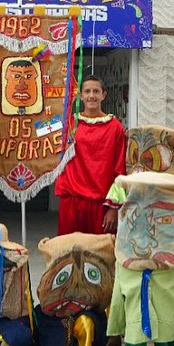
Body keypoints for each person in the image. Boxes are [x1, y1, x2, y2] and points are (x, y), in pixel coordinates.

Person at [104, 172, 174, 346]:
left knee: (165, 331)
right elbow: (117, 297)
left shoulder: (173, 264)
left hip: (164, 292)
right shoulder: (125, 261)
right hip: (136, 290)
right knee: (135, 334)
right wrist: (114, 331)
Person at [55, 76, 126, 236]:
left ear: (103, 95)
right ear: (81, 96)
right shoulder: (69, 124)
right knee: (68, 254)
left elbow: (120, 168)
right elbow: (43, 140)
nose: (91, 95)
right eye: (87, 91)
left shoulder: (115, 128)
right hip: (71, 201)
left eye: (96, 91)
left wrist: (114, 207)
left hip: (101, 204)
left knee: (101, 257)